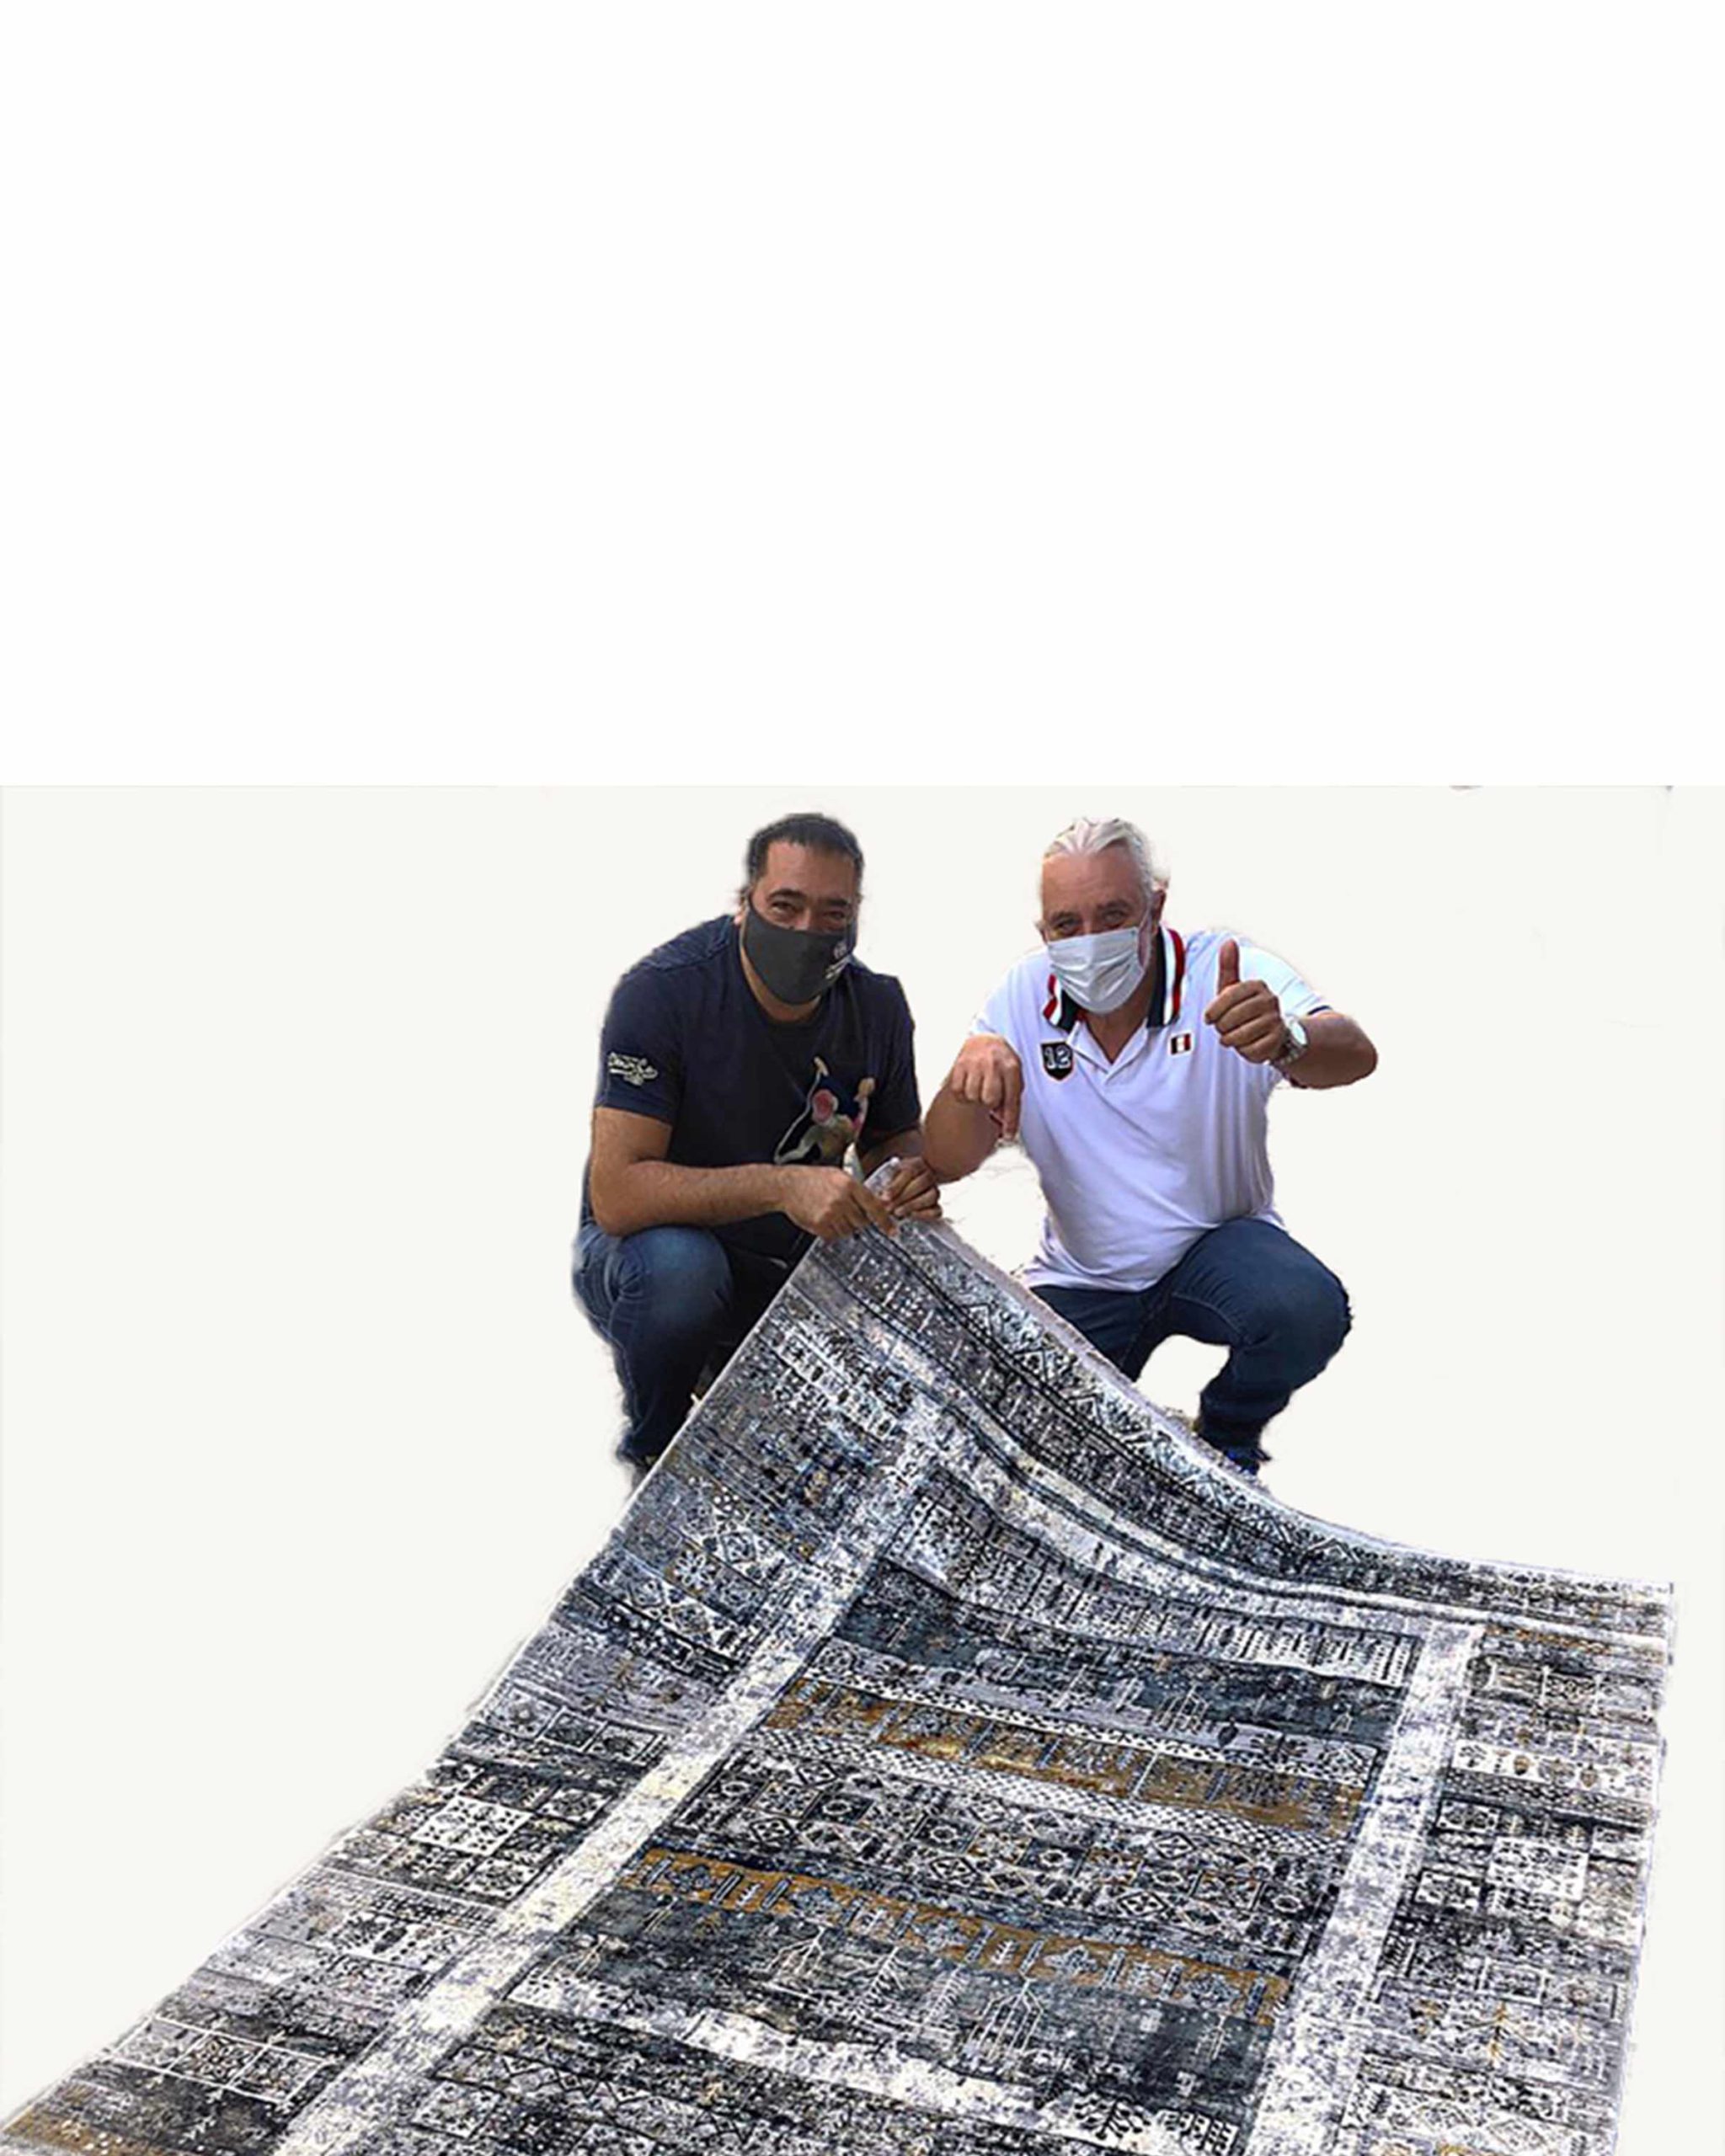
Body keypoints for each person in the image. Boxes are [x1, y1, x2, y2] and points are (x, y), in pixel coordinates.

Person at [921, 815, 1378, 1475]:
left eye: (1113, 915)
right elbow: (946, 1159)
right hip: (1086, 1277)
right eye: (1067, 925)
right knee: (1006, 1429)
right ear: (1045, 933)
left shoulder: (1221, 971)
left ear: (1154, 908)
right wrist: (968, 1078)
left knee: (1304, 1309)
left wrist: (1288, 1040)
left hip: (1216, 1248)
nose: (1089, 942)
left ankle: (1227, 1433)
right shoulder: (1021, 996)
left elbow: (1355, 1053)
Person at [574, 811, 939, 1485]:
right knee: (682, 1272)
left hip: (787, 1270)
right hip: (651, 1257)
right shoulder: (662, 994)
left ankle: (732, 1383)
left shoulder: (878, 1007)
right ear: (745, 904)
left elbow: (894, 1139)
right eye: (786, 906)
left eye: (833, 914)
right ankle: (656, 1449)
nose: (808, 931)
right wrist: (780, 1186)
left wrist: (909, 1177)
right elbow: (618, 1195)